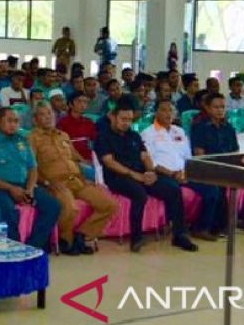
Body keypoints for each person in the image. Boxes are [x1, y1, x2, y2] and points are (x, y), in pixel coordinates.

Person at [95, 95, 197, 253]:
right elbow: (109, 162)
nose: (126, 123)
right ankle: (136, 238)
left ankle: (180, 234)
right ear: (113, 117)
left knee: (172, 189)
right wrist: (135, 175)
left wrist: (150, 171)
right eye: (123, 119)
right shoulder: (103, 137)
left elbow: (145, 156)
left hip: (142, 174)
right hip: (118, 177)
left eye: (129, 119)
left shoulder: (133, 135)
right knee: (139, 194)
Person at [30, 102, 115, 254]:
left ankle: (82, 235)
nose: (48, 117)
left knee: (109, 205)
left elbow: (76, 159)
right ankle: (66, 241)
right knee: (70, 208)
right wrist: (47, 182)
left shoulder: (63, 135)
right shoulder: (32, 138)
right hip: (55, 183)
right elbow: (31, 167)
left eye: (49, 113)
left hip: (77, 180)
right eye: (42, 114)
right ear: (35, 120)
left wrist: (86, 177)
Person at [0, 107, 61, 251]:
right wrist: (11, 188)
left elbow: (32, 168)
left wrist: (30, 188)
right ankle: (14, 250)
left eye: (16, 121)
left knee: (53, 206)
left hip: (24, 185)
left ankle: (32, 248)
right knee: (9, 211)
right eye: (9, 121)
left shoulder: (22, 141)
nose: (13, 124)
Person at [141, 100, 219, 241]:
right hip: (163, 174)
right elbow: (151, 162)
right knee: (174, 189)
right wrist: (172, 174)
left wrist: (186, 172)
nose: (168, 113)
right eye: (164, 110)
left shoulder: (180, 131)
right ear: (156, 113)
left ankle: (200, 228)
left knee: (212, 189)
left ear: (176, 113)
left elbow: (187, 156)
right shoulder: (148, 133)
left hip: (184, 172)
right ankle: (180, 232)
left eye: (171, 110)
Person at [188, 92, 236, 238]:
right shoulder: (200, 127)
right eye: (216, 107)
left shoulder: (228, 127)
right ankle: (201, 228)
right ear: (207, 108)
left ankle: (221, 226)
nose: (220, 110)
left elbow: (234, 151)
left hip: (223, 168)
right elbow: (199, 155)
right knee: (214, 189)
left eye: (222, 107)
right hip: (202, 170)